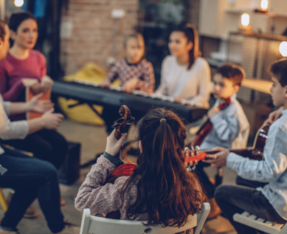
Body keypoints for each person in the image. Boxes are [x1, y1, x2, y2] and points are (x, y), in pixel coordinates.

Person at [206, 58, 287, 234]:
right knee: (242, 180)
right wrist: (283, 110)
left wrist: (230, 160)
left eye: (274, 84)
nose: (270, 89)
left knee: (221, 193)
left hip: (281, 207)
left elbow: (267, 172)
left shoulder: (282, 127)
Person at [0, 20, 78, 234]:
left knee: (42, 167)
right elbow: (4, 130)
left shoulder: (38, 58)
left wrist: (29, 105)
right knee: (46, 172)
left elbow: (1, 105)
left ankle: (7, 225)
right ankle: (59, 228)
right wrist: (42, 122)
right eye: (7, 38)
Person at [75, 108, 206, 234]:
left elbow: (82, 200)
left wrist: (107, 156)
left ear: (141, 145)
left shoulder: (126, 189)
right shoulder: (193, 187)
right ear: (181, 147)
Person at [0, 11, 68, 173]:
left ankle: (45, 184)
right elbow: (2, 101)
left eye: (35, 30)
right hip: (13, 122)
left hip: (36, 116)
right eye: (25, 30)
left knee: (61, 145)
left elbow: (40, 86)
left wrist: (45, 80)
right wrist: (20, 85)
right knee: (44, 149)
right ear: (13, 34)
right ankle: (39, 183)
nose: (32, 35)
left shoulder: (39, 58)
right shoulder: (4, 62)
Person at [194, 63, 250, 220]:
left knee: (193, 164)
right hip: (213, 145)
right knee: (186, 156)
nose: (216, 88)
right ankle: (208, 186)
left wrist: (214, 116)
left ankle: (213, 200)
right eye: (215, 83)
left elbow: (227, 135)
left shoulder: (235, 111)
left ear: (235, 88)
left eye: (222, 85)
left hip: (227, 150)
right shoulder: (221, 101)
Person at [100, 33, 155, 133]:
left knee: (142, 122)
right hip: (122, 102)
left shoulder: (146, 66)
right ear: (125, 49)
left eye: (140, 47)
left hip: (138, 104)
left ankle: (134, 141)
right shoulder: (120, 64)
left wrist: (137, 82)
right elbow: (109, 78)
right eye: (133, 47)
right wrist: (107, 81)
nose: (137, 51)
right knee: (107, 111)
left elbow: (151, 88)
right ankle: (114, 135)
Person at [155, 24, 211, 109]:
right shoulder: (168, 61)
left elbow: (203, 96)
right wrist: (154, 97)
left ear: (189, 45)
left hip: (192, 112)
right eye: (170, 41)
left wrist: (185, 103)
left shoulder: (201, 65)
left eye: (177, 42)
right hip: (171, 109)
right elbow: (163, 88)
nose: (172, 45)